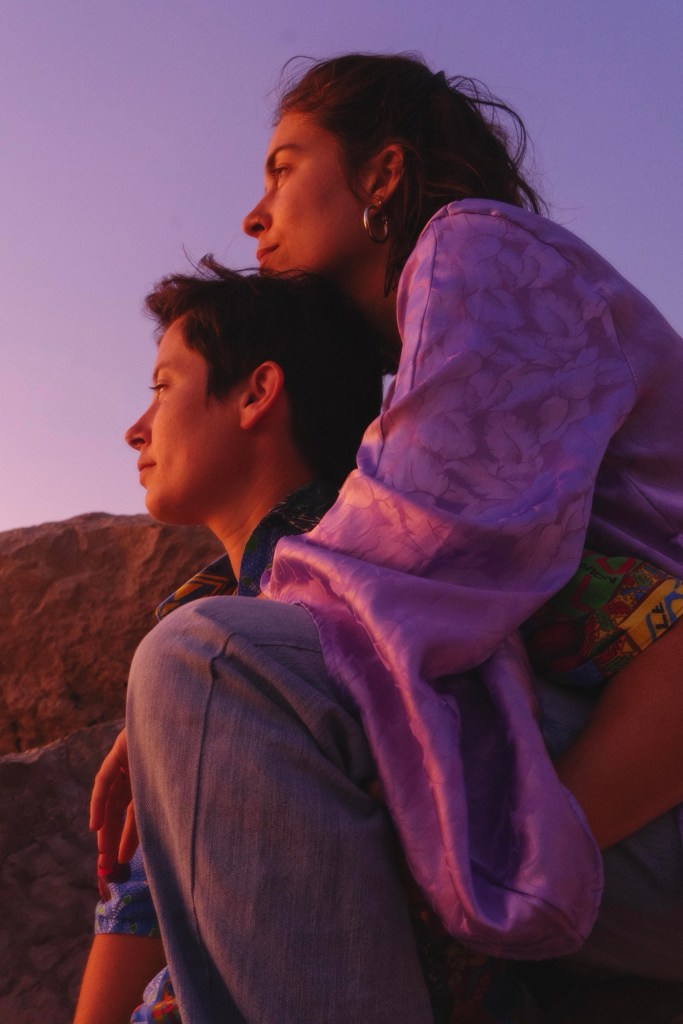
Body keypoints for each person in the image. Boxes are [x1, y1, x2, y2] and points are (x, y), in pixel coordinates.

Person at [93, 54, 683, 1023]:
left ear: (381, 173)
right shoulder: (435, 339)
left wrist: (213, 667)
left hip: (648, 763)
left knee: (207, 664)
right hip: (624, 790)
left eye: (283, 168)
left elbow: (425, 540)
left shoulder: (476, 246)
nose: (253, 215)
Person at [75, 260, 385, 1024]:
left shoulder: (402, 559)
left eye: (163, 386)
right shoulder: (202, 620)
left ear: (255, 393)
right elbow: (139, 899)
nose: (136, 428)